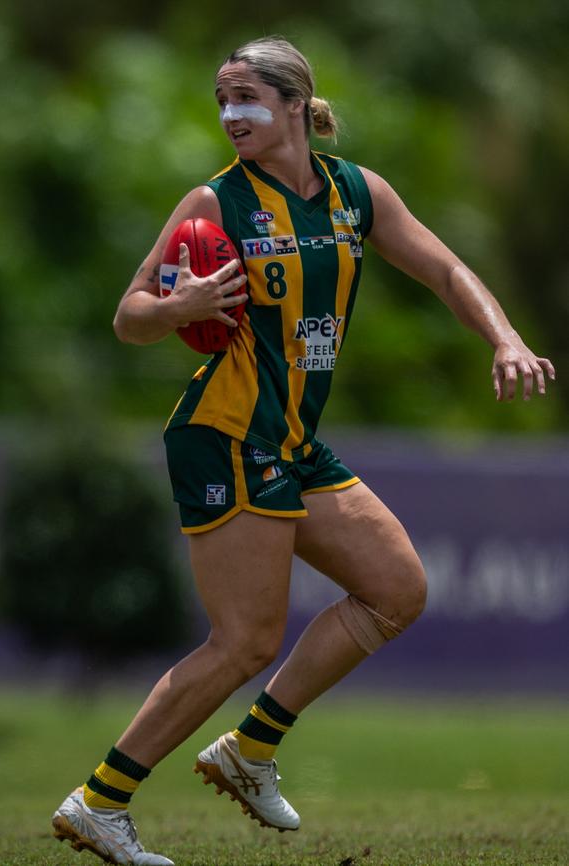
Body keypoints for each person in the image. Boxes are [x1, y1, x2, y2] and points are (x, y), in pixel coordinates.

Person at [51, 36, 555, 866]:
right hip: (225, 433)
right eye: (221, 100)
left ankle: (249, 752)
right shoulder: (214, 203)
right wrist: (182, 309)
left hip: (291, 439)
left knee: (396, 589)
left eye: (245, 97)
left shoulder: (357, 192)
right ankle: (100, 801)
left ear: (295, 105)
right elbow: (128, 315)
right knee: (244, 641)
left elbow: (445, 270)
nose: (229, 115)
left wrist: (503, 337)